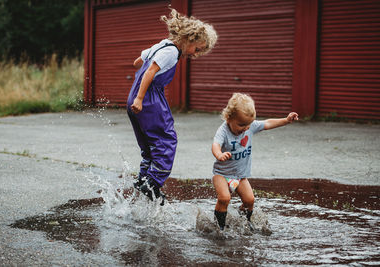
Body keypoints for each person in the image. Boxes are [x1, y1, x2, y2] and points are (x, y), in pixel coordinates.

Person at [127, 8, 217, 204]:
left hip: (134, 95)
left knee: (150, 145)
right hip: (148, 98)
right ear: (188, 39)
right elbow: (150, 71)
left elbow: (138, 62)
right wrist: (140, 98)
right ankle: (152, 183)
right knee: (167, 139)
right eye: (197, 48)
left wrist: (136, 95)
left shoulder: (162, 45)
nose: (196, 54)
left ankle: (144, 178)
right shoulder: (171, 51)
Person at [211, 93, 299, 230]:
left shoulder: (249, 126)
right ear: (229, 118)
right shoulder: (223, 130)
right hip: (222, 174)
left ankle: (243, 221)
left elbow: (268, 123)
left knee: (249, 201)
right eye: (241, 125)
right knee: (224, 198)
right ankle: (219, 227)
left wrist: (286, 120)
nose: (246, 128)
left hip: (240, 176)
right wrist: (219, 154)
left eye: (248, 124)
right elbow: (215, 144)